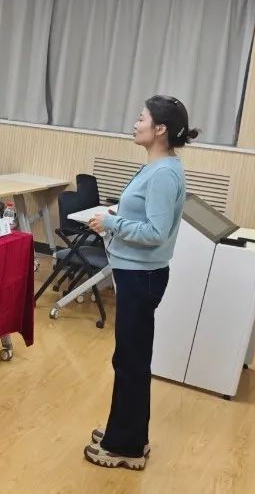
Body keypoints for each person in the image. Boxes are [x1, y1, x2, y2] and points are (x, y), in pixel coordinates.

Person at [83, 95, 198, 471]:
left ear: (160, 129)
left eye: (141, 118)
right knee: (129, 358)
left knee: (131, 361)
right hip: (136, 273)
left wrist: (112, 223)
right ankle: (127, 432)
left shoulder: (164, 172)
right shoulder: (158, 166)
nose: (135, 123)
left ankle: (126, 446)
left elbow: (156, 232)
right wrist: (114, 217)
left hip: (142, 276)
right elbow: (145, 217)